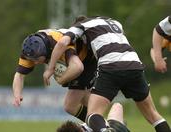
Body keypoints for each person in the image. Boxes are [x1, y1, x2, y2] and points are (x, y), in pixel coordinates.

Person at [43, 16, 171, 132]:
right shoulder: (114, 22)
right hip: (134, 64)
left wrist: (50, 68)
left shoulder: (81, 26)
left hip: (111, 66)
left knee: (92, 115)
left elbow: (62, 42)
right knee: (154, 116)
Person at [12, 28, 97, 122]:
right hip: (74, 62)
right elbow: (19, 75)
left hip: (87, 58)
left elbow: (78, 67)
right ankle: (99, 123)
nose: (34, 63)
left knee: (73, 105)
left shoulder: (59, 43)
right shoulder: (29, 49)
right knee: (78, 104)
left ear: (45, 52)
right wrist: (17, 94)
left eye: (37, 59)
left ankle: (100, 124)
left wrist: (61, 80)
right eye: (32, 60)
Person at [57, 103, 130, 132]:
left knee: (117, 106)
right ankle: (122, 124)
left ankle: (122, 123)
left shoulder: (91, 122)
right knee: (117, 106)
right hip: (115, 128)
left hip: (111, 127)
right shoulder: (91, 121)